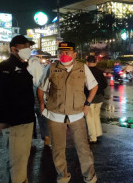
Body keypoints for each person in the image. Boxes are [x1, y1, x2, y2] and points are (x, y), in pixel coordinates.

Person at [37, 42, 98, 183]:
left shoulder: (82, 68)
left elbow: (94, 87)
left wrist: (87, 104)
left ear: (74, 54)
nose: (64, 55)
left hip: (77, 115)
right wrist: (41, 104)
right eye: (61, 52)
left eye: (67, 52)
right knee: (58, 149)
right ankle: (62, 176)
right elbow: (41, 88)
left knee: (83, 148)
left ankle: (90, 176)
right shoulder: (51, 68)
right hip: (55, 115)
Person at [0, 35, 35, 183]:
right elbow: (0, 95)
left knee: (22, 158)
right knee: (18, 159)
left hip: (27, 118)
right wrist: (4, 120)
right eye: (25, 46)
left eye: (29, 46)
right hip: (16, 121)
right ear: (13, 49)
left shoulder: (24, 67)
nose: (28, 49)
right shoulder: (5, 67)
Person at [28, 55, 50, 146]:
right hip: (41, 101)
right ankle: (46, 137)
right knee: (43, 120)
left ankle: (31, 136)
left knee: (30, 120)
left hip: (29, 102)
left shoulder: (27, 72)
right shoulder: (44, 71)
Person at [85, 55, 108, 143]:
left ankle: (92, 137)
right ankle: (98, 133)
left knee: (89, 117)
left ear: (87, 62)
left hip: (89, 97)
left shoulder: (86, 72)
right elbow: (105, 84)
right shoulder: (99, 72)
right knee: (96, 115)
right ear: (96, 62)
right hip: (99, 97)